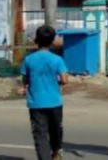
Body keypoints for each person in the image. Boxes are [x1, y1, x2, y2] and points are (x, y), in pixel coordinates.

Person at [20, 25, 69, 160]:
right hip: (54, 102)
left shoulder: (28, 59)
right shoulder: (57, 59)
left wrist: (27, 85)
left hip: (36, 103)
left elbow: (25, 79)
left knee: (40, 135)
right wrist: (58, 82)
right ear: (53, 41)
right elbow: (64, 79)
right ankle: (56, 152)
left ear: (36, 40)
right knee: (56, 131)